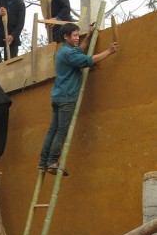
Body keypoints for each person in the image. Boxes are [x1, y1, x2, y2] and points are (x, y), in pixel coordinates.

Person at [39, 23, 118, 175]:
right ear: (65, 36)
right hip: (67, 97)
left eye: (77, 35)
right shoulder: (69, 54)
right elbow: (88, 60)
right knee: (61, 131)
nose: (76, 38)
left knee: (53, 130)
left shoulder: (64, 51)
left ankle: (43, 162)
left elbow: (80, 50)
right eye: (74, 36)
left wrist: (87, 36)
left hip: (57, 96)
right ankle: (52, 162)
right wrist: (109, 51)